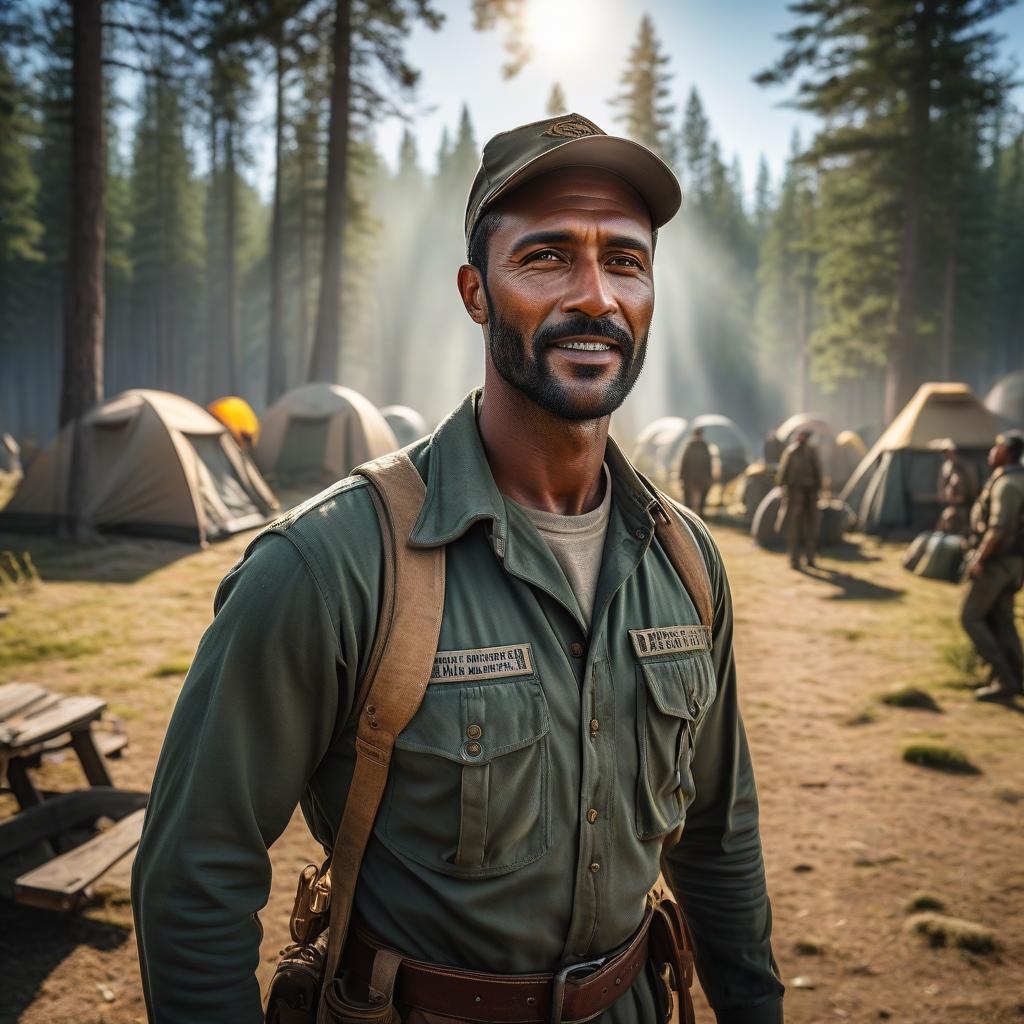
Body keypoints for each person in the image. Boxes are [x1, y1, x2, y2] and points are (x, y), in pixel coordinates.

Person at [133, 112, 784, 1024]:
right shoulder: (330, 566)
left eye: (626, 260)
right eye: (549, 256)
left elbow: (717, 838)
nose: (595, 295)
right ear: (477, 293)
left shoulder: (686, 559)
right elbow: (195, 876)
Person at [962, 431, 1024, 704]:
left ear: (1008, 452)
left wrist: (979, 559)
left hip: (998, 561)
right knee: (1002, 619)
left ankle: (1003, 678)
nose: (992, 451)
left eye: (997, 447)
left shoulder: (1008, 485)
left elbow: (999, 528)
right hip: (1014, 562)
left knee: (971, 617)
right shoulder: (1017, 480)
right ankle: (1016, 677)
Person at [776, 428, 822, 570]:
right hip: (795, 494)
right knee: (794, 528)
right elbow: (782, 476)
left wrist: (816, 491)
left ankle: (810, 558)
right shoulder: (791, 452)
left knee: (810, 528)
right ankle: (794, 560)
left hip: (810, 495)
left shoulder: (812, 453)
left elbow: (817, 473)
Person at [936, 440, 975, 535]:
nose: (947, 454)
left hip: (963, 503)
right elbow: (942, 484)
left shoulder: (966, 465)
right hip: (950, 502)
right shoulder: (946, 466)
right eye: (946, 452)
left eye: (949, 452)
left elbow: (972, 483)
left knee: (962, 526)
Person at [679, 427, 713, 517]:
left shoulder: (699, 446)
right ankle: (690, 515)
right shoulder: (694, 446)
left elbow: (708, 463)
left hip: (696, 477)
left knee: (696, 499)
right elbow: (684, 462)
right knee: (690, 498)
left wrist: (709, 476)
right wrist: (682, 476)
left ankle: (696, 515)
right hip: (693, 477)